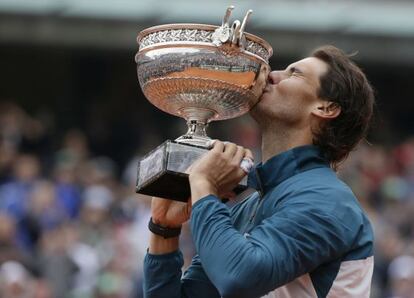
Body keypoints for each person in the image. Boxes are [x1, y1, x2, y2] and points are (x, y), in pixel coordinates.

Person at [142, 45, 375, 298]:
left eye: (294, 74)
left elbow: (239, 277)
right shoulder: (250, 204)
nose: (273, 75)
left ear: (325, 108)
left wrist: (204, 186)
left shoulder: (328, 200)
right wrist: (164, 230)